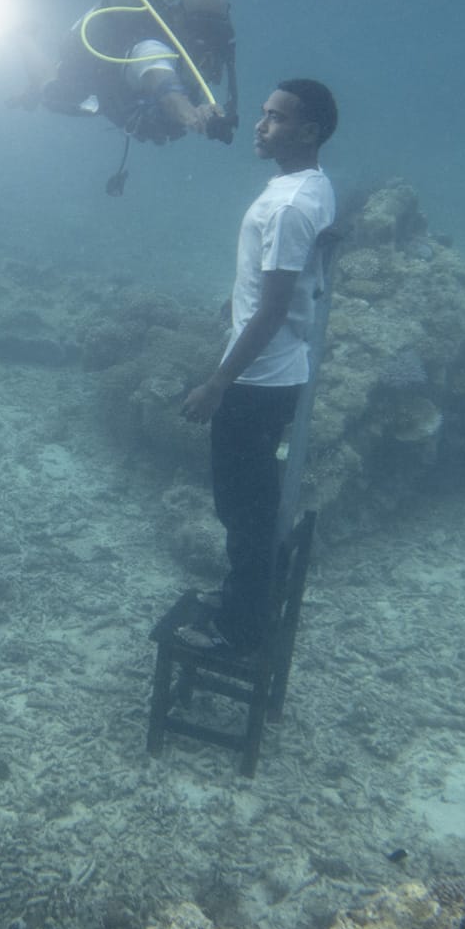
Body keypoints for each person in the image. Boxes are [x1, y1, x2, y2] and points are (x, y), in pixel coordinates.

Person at [181, 79, 338, 651]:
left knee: (240, 509)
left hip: (255, 381)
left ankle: (238, 631)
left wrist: (218, 383)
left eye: (275, 117)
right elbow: (291, 279)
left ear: (309, 131)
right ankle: (245, 598)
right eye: (265, 114)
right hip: (279, 371)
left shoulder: (290, 205)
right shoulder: (312, 188)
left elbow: (272, 309)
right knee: (254, 503)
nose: (259, 124)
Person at [12, 0, 236, 156]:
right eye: (199, 29)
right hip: (101, 79)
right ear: (179, 18)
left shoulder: (207, 51)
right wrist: (193, 115)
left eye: (213, 32)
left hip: (130, 97)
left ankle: (32, 87)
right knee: (53, 93)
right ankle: (23, 36)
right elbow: (164, 85)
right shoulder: (151, 46)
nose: (204, 41)